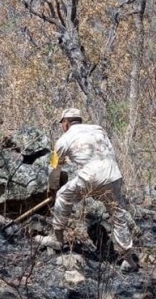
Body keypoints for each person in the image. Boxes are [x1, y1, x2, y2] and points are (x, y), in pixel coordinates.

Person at [43, 108, 137, 272]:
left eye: (62, 123)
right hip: (114, 175)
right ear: (79, 120)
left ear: (66, 123)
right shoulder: (98, 129)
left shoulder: (63, 140)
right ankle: (128, 259)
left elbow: (53, 167)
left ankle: (57, 238)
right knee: (118, 214)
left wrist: (52, 188)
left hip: (91, 178)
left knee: (63, 196)